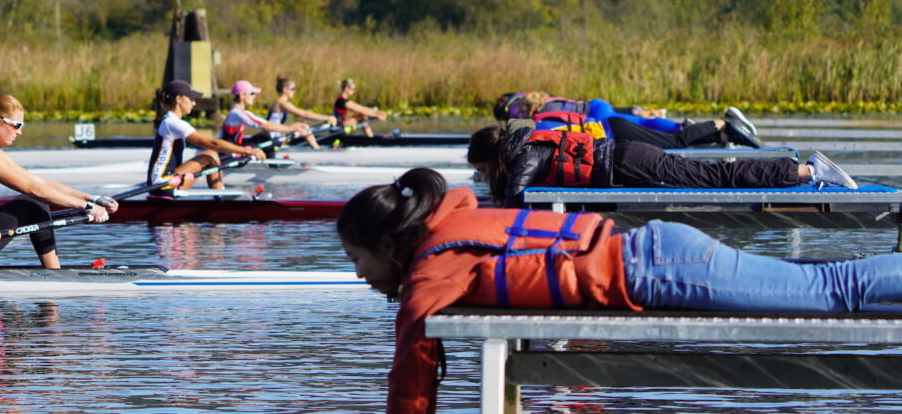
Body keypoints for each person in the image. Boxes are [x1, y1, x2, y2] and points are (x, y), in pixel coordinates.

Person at [339, 167, 902, 414]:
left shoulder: (433, 268)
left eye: (357, 258)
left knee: (831, 289)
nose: (359, 274)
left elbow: (410, 373)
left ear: (389, 244)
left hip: (662, 267)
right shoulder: (452, 229)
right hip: (659, 255)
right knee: (830, 286)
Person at [466, 120, 855, 207]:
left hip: (629, 163)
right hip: (625, 159)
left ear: (494, 158)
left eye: (482, 172)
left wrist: (483, 211)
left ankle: (805, 171)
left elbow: (515, 198)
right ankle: (801, 171)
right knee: (713, 178)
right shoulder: (526, 145)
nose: (483, 179)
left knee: (716, 179)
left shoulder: (523, 155)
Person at [0, 94, 117, 269]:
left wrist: (92, 198)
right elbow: (34, 190)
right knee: (34, 201)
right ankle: (54, 275)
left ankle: (53, 273)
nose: (20, 132)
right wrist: (86, 207)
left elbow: (39, 182)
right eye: (17, 125)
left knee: (35, 202)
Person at [493, 92, 759, 149]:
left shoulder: (538, 120)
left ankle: (722, 125)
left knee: (670, 139)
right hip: (602, 114)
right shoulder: (543, 105)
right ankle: (722, 133)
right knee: (655, 128)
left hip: (604, 124)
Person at [148, 79, 267, 195]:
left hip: (169, 181)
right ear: (179, 99)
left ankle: (218, 200)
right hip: (161, 183)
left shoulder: (172, 121)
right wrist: (248, 151)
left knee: (210, 156)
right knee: (210, 155)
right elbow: (212, 144)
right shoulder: (171, 122)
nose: (194, 103)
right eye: (191, 98)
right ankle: (220, 201)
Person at [221, 79, 317, 150]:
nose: (254, 96)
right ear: (242, 95)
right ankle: (273, 165)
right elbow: (265, 126)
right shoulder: (238, 113)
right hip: (229, 152)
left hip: (232, 147)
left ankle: (270, 160)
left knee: (263, 137)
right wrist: (290, 128)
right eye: (251, 93)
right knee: (265, 137)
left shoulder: (236, 111)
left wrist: (289, 129)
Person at [270, 76, 338, 131]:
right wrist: (327, 117)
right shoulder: (283, 104)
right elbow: (305, 114)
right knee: (303, 126)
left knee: (301, 124)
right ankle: (316, 148)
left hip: (276, 132)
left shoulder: (280, 102)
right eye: (293, 88)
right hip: (271, 135)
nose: (295, 91)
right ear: (285, 90)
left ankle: (316, 147)